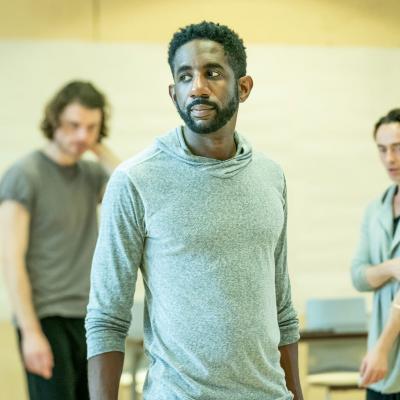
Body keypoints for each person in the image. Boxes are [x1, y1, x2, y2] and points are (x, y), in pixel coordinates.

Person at [86, 21, 303, 400]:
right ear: (173, 93)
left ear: (244, 87)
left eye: (212, 73)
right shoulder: (135, 180)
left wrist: (296, 394)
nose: (197, 88)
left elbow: (282, 306)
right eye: (185, 77)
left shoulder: (271, 176)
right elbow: (107, 316)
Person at [0, 80, 119, 400]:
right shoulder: (24, 176)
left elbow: (130, 191)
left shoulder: (92, 175)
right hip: (46, 317)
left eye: (92, 127)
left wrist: (98, 147)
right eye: (74, 125)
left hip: (90, 316)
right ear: (54, 121)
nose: (82, 135)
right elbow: (11, 261)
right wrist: (31, 333)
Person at [352, 108, 400, 399]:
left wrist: (382, 347)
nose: (389, 159)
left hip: (382, 353)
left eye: (397, 148)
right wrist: (391, 268)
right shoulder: (375, 210)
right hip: (381, 370)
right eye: (382, 150)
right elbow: (358, 276)